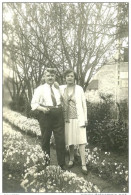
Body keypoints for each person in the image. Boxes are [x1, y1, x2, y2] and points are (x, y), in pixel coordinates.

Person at [31, 68, 66, 170]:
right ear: (44, 77)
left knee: (60, 139)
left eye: (52, 76)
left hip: (58, 114)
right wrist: (42, 109)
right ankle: (46, 163)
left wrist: (59, 88)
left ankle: (61, 164)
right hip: (46, 114)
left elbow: (64, 100)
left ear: (55, 77)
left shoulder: (59, 88)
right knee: (45, 139)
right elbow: (33, 104)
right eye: (48, 76)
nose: (50, 77)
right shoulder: (40, 89)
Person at [60, 69, 88, 174]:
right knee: (70, 141)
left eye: (71, 76)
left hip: (79, 118)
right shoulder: (62, 89)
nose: (69, 78)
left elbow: (84, 105)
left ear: (74, 77)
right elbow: (54, 85)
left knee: (81, 141)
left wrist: (85, 119)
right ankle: (71, 159)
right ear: (65, 78)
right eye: (67, 76)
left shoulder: (79, 89)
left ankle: (83, 164)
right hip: (67, 119)